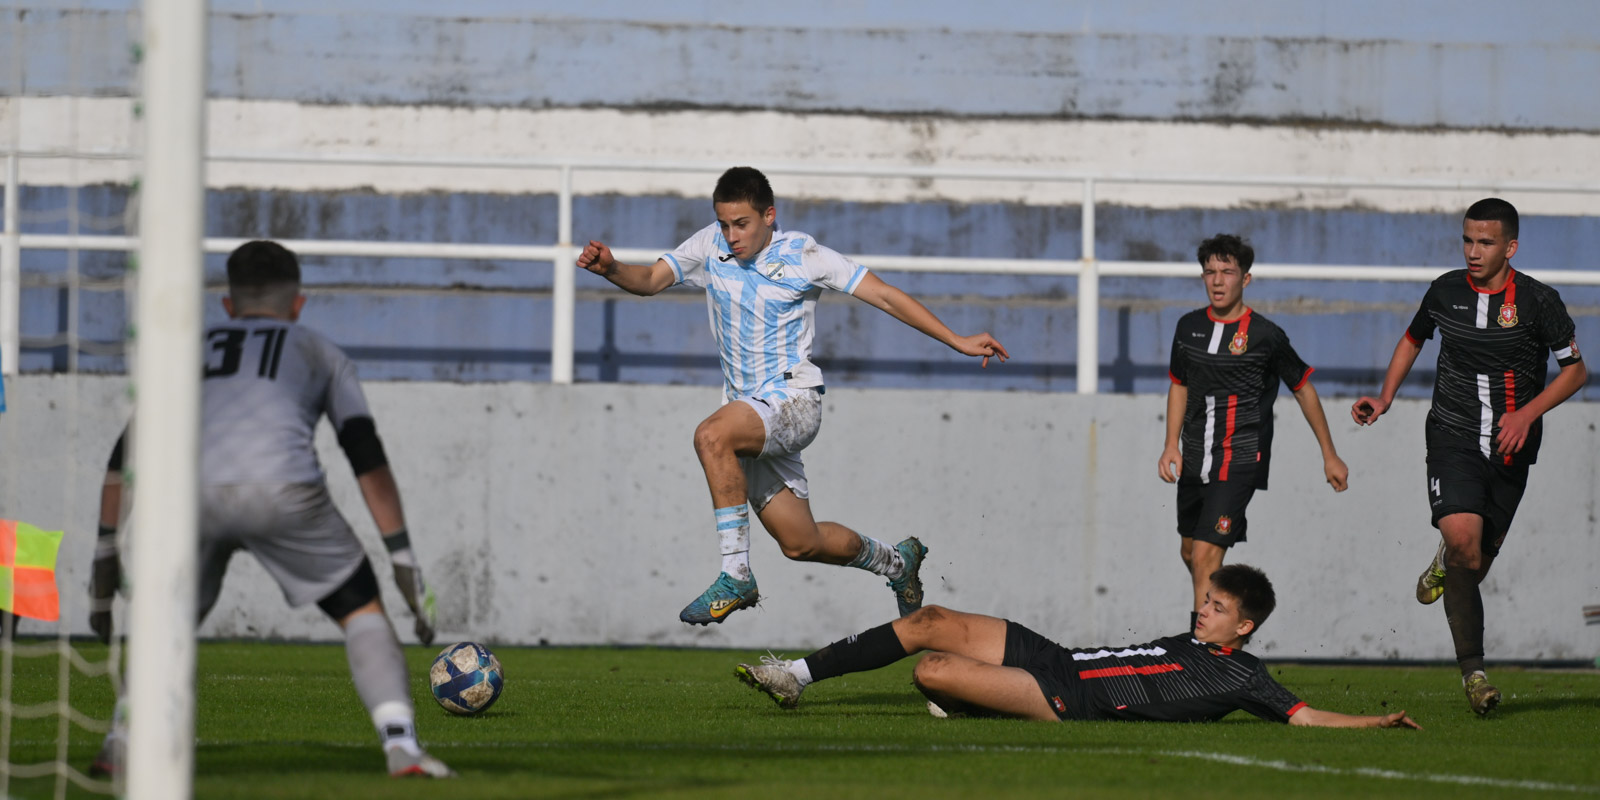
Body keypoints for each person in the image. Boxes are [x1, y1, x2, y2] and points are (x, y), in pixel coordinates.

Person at [576, 166, 1008, 625]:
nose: (731, 234)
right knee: (801, 542)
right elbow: (648, 281)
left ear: (769, 216)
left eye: (741, 224)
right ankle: (897, 563)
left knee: (710, 437)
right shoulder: (709, 245)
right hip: (749, 413)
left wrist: (957, 340)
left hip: (793, 401)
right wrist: (611, 268)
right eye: (724, 224)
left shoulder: (805, 255)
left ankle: (736, 573)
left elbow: (884, 296)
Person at [89, 240, 453, 777]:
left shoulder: (184, 349)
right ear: (298, 304)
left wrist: (104, 553)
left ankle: (123, 739)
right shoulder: (319, 351)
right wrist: (402, 558)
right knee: (360, 611)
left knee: (168, 621)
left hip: (191, 494)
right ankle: (400, 745)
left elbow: (125, 457)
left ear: (228, 305)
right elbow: (366, 458)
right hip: (286, 491)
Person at [1351, 198, 1586, 715]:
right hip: (1452, 436)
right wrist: (1385, 397)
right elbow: (1413, 339)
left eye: (1486, 242)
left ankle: (1445, 562)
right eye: (1467, 240)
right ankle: (1474, 676)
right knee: (1463, 540)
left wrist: (1526, 414)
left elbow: (1575, 371)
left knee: (1470, 563)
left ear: (1510, 247)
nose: (1473, 252)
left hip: (1512, 446)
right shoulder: (1445, 291)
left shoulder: (1539, 302)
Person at [735, 564, 1418, 729]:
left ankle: (971, 700)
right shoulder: (1193, 639)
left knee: (932, 670)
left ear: (1245, 627)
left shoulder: (1244, 676)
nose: (1201, 610)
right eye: (1204, 600)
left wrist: (1375, 722)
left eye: (1216, 607)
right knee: (932, 619)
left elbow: (1302, 718)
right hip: (1057, 656)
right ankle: (794, 674)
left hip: (1070, 697)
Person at [1158, 234, 1348, 624]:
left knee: (1206, 556)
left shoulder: (1265, 335)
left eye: (1227, 272)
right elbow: (1179, 384)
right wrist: (1170, 445)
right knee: (1191, 553)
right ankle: (1227, 628)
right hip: (1194, 458)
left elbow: (1303, 389)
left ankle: (1203, 657)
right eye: (1209, 272)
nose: (1217, 280)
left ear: (1246, 279)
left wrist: (1329, 453)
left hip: (1240, 458)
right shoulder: (1188, 327)